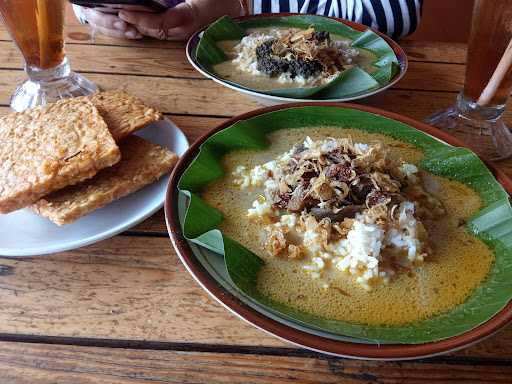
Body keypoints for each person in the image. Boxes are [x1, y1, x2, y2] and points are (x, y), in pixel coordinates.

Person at [74, 0, 422, 41]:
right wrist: (96, 14)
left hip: (310, 99)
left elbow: (392, 14)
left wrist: (242, 6)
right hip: (152, 73)